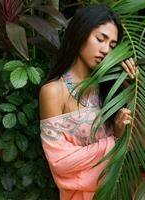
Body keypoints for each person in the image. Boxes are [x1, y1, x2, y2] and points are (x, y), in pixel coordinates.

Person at [39, 4, 136, 200]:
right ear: (80, 33)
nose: (105, 49)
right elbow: (61, 163)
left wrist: (133, 88)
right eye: (100, 39)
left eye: (112, 45)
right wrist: (114, 141)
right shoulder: (53, 92)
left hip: (123, 191)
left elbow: (140, 146)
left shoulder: (112, 88)